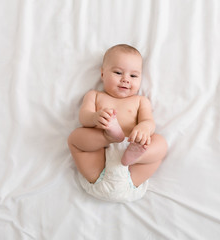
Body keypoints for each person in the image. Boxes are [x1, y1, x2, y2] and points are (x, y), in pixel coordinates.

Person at [67, 44, 168, 202]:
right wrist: (94, 118)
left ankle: (135, 156)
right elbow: (84, 117)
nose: (125, 79)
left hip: (130, 171)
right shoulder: (94, 96)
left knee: (161, 144)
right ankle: (110, 137)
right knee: (76, 137)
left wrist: (143, 128)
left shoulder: (140, 101)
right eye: (118, 72)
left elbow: (149, 121)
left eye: (133, 76)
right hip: (98, 166)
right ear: (102, 73)